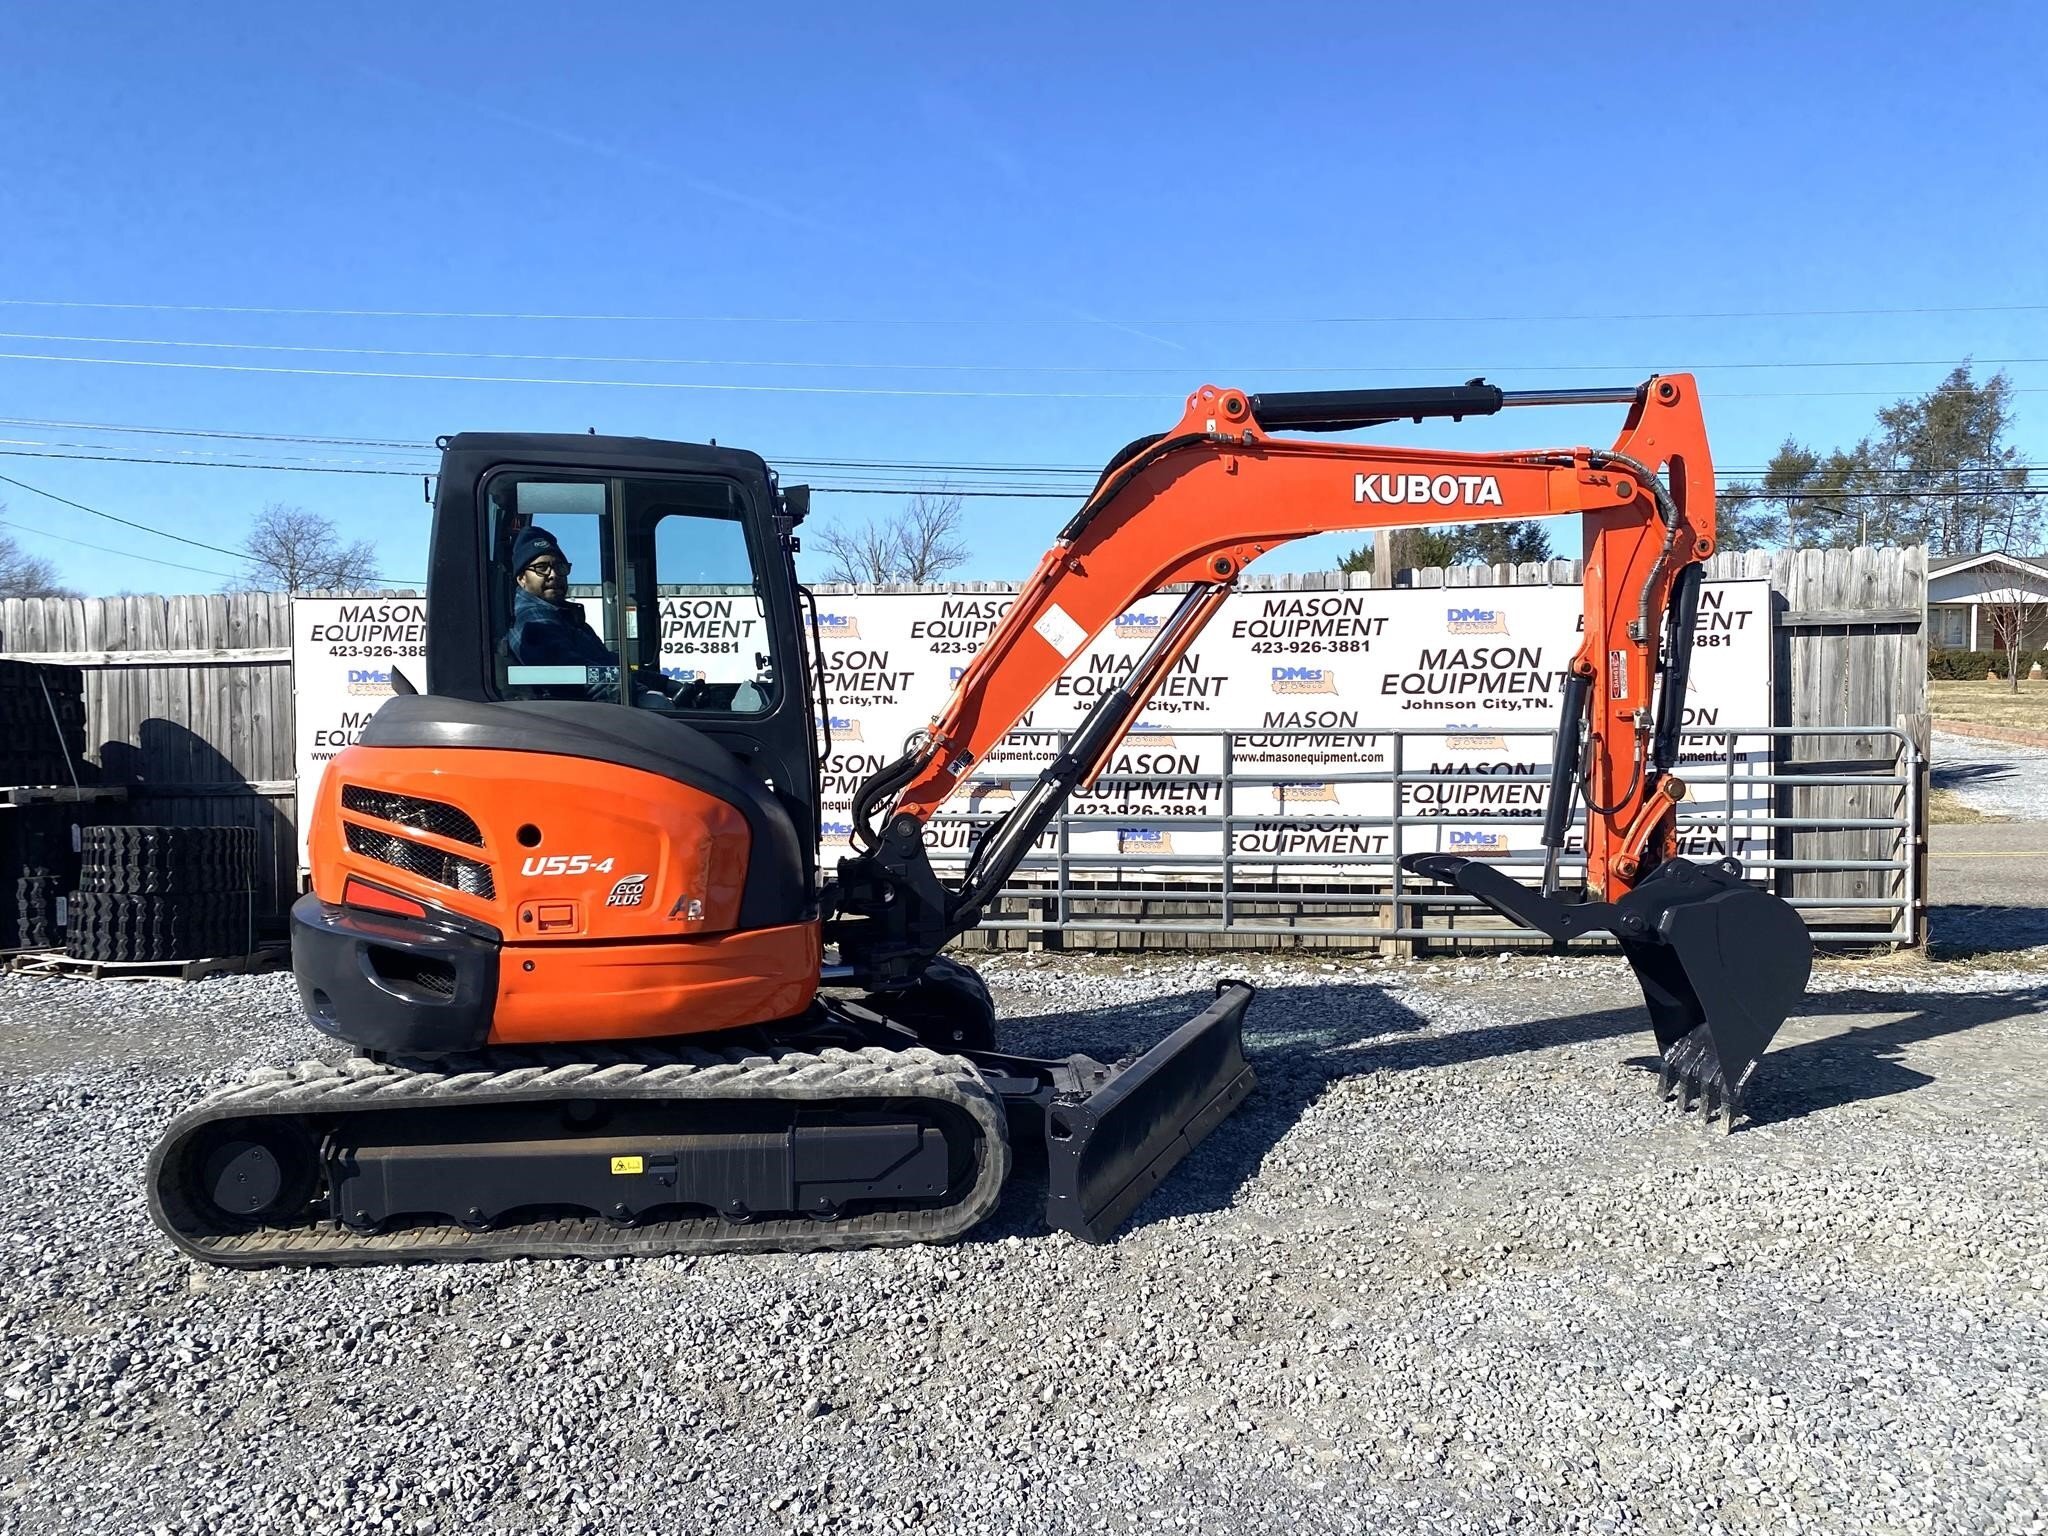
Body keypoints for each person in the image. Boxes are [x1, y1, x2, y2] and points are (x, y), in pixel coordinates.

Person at [503, 526, 617, 670]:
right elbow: (573, 674)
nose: (554, 575)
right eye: (542, 568)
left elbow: (606, 663)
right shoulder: (533, 620)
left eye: (560, 567)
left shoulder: (566, 617)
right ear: (521, 578)